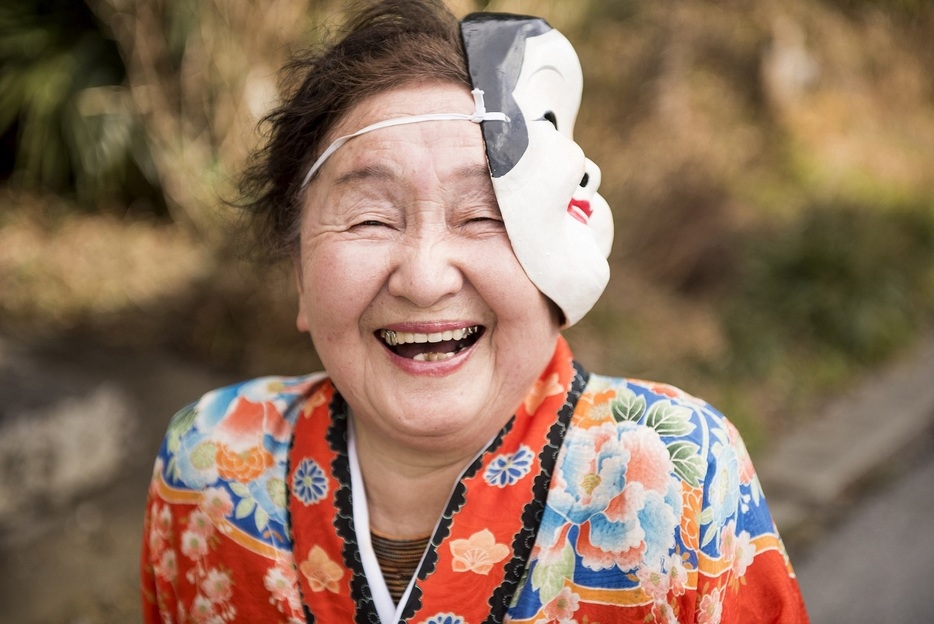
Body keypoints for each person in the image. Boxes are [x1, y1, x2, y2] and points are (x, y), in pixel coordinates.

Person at [140, 1, 810, 622]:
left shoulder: (680, 475)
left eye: (484, 215)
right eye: (371, 217)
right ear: (299, 276)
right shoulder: (210, 465)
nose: (425, 278)